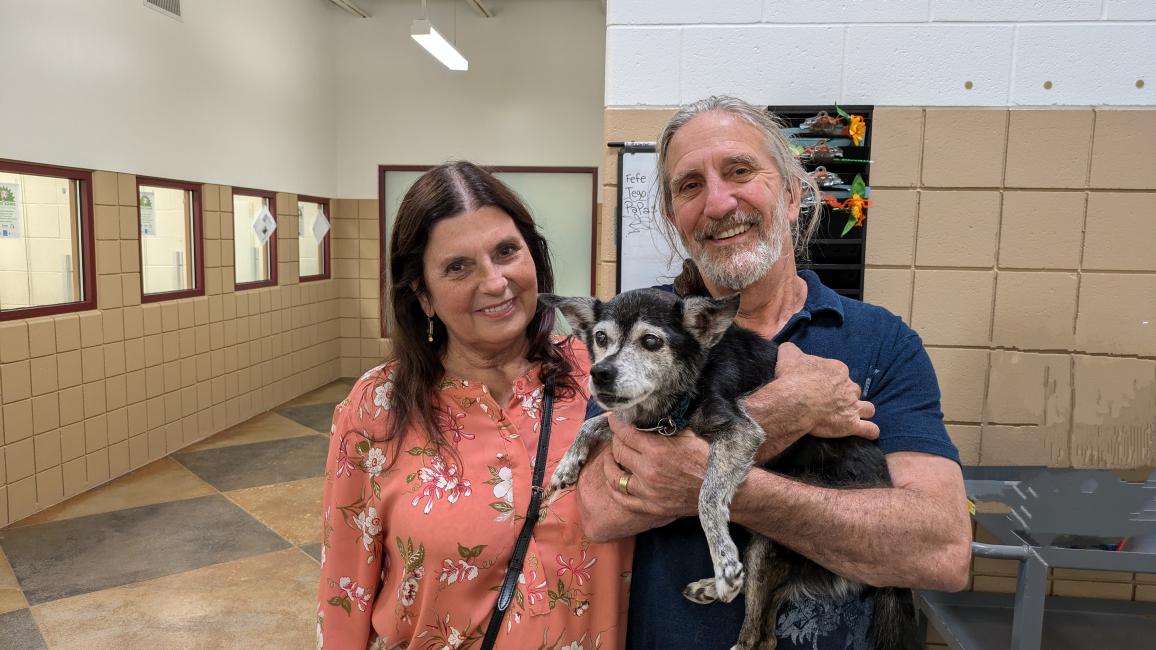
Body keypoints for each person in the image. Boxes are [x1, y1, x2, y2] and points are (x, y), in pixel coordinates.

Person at [577, 97, 973, 649]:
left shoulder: (881, 342)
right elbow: (599, 510)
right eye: (689, 186)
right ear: (673, 219)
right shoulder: (635, 325)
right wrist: (792, 407)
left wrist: (714, 480)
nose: (718, 202)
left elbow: (941, 551)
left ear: (790, 194)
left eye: (739, 171)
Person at [317, 162, 632, 649]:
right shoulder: (378, 407)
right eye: (458, 266)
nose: (495, 282)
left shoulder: (603, 380)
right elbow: (345, 588)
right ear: (423, 295)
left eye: (507, 251)